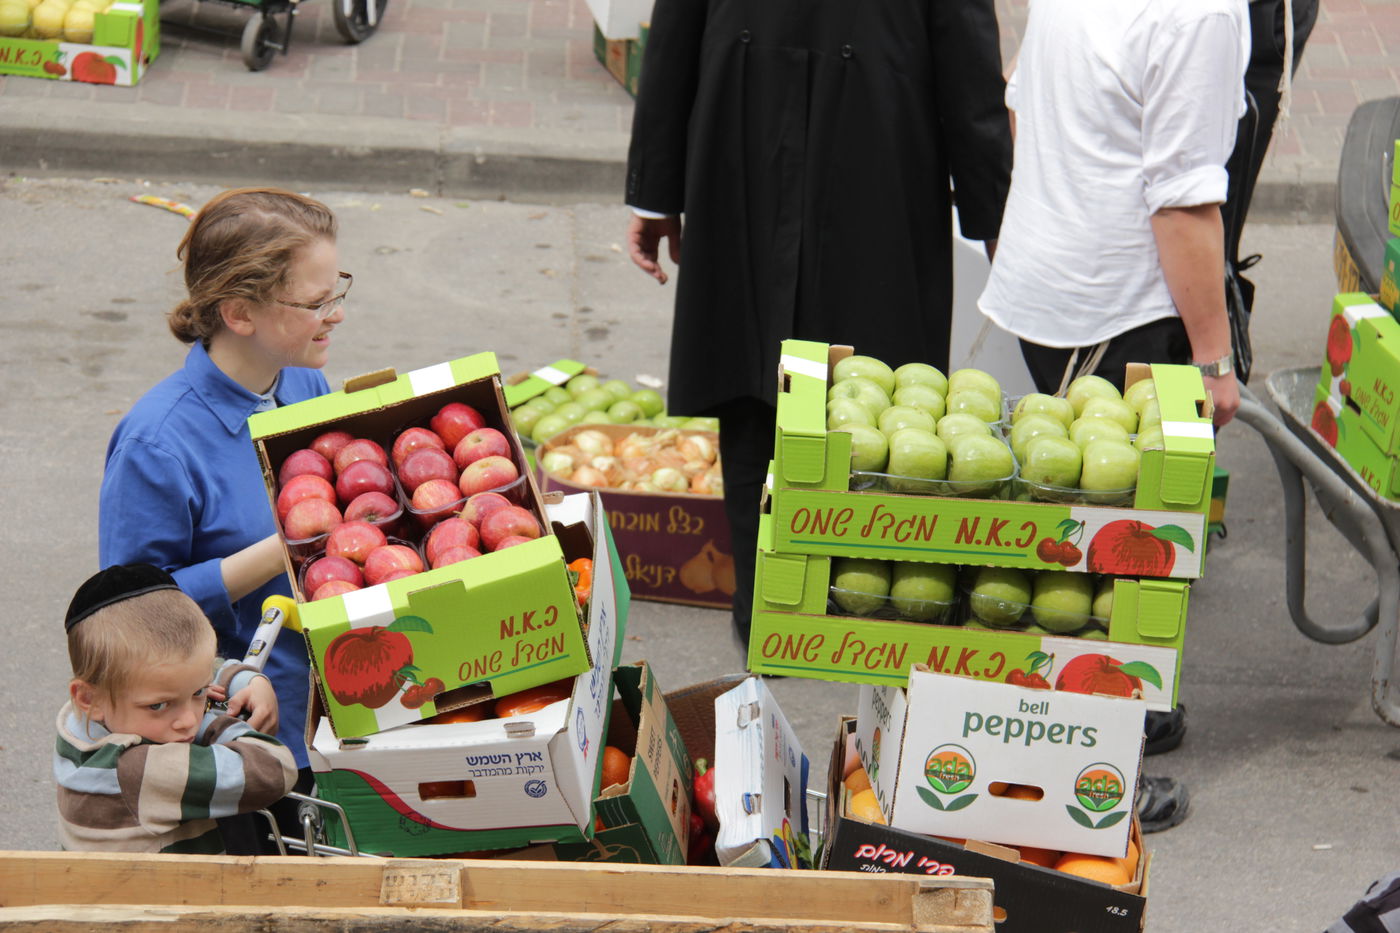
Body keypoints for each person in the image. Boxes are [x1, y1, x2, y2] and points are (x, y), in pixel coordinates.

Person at [625, 0, 1013, 644]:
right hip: (878, 136)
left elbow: (674, 29)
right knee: (883, 397)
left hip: (754, 125)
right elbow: (968, 61)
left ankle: (769, 613)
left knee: (760, 379)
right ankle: (865, 615)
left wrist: (657, 188)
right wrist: (995, 214)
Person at [976, 0, 1251, 831]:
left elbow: (1020, 105)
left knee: (1096, 538)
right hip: (1120, 309)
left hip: (1049, 287)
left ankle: (1130, 705)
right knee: (1116, 553)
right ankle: (1093, 780)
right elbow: (1183, 205)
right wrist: (1213, 359)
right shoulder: (1201, 13)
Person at [97, 187, 346, 850]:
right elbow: (129, 617)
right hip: (240, 742)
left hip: (329, 707)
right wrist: (279, 550)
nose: (337, 314)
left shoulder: (301, 382)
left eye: (337, 289)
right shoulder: (158, 443)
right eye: (316, 302)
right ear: (240, 312)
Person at [56, 563, 298, 853]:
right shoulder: (133, 771)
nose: (187, 721)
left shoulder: (84, 716)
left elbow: (184, 674)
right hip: (169, 897)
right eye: (158, 705)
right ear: (88, 698)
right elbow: (274, 770)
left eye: (198, 692)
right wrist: (216, 721)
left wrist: (243, 678)